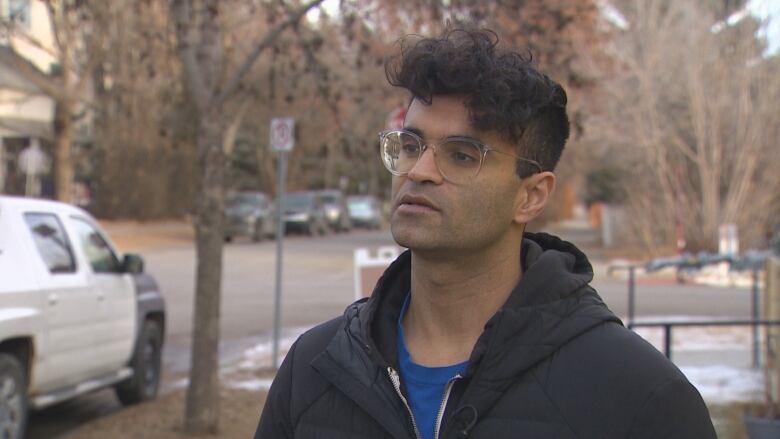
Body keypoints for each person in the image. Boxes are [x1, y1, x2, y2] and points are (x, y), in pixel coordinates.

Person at [254, 28, 717, 439]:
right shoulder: (318, 369)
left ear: (531, 196)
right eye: (410, 145)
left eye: (461, 154)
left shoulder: (637, 395)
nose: (420, 170)